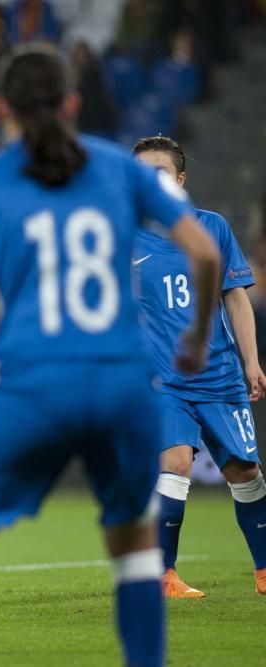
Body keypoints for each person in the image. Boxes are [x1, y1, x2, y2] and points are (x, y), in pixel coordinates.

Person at [0, 44, 221, 667]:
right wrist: (197, 337)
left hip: (30, 385)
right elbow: (203, 252)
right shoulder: (121, 168)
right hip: (123, 385)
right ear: (71, 102)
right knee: (134, 552)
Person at [131, 135, 266, 598]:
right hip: (162, 381)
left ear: (181, 180)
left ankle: (264, 570)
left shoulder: (213, 228)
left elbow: (236, 299)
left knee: (245, 475)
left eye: (160, 172)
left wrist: (252, 361)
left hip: (220, 376)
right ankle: (164, 575)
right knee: (175, 465)